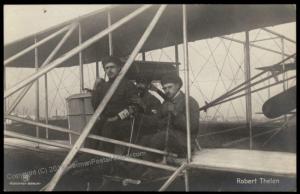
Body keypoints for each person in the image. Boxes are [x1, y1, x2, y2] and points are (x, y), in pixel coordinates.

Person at [139, 74, 200, 161]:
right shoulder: (166, 102)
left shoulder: (189, 101)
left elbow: (193, 127)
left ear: (178, 86)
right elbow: (156, 120)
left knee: (157, 140)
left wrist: (175, 113)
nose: (167, 91)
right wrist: (140, 116)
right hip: (166, 138)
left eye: (169, 87)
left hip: (184, 143)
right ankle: (130, 162)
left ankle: (141, 167)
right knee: (144, 139)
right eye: (164, 88)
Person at [88, 55, 138, 153]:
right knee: (93, 128)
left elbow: (134, 107)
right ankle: (87, 157)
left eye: (112, 67)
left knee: (108, 128)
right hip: (107, 120)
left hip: (123, 122)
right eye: (107, 68)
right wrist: (95, 88)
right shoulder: (103, 87)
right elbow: (96, 107)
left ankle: (105, 160)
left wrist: (117, 117)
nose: (109, 70)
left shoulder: (128, 85)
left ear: (119, 68)